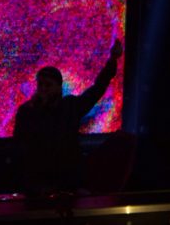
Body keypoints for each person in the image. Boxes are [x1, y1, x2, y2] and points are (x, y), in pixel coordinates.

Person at [13, 38, 123, 194]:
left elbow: (97, 90)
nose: (43, 89)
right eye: (40, 84)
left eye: (48, 85)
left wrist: (112, 60)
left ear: (59, 87)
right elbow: (20, 148)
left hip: (68, 183)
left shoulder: (70, 106)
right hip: (39, 186)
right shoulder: (27, 112)